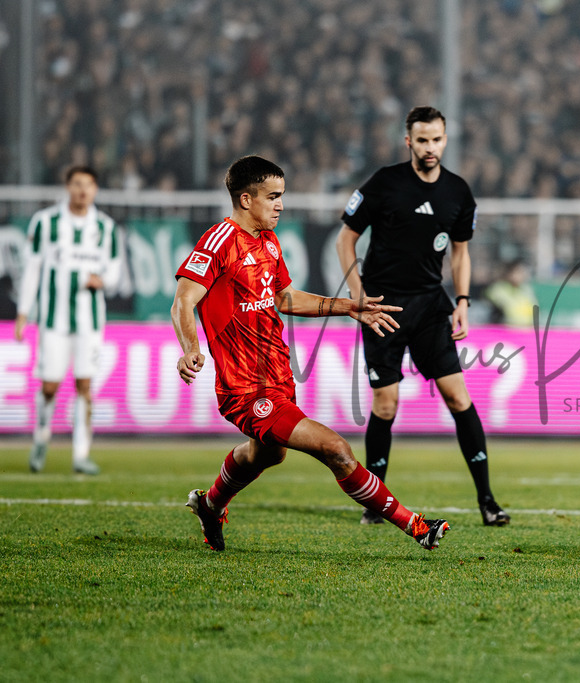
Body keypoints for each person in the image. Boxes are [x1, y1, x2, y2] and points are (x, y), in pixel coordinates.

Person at [171, 155, 449, 552]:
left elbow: (283, 296)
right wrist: (191, 350)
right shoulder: (219, 241)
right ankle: (416, 526)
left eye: (281, 196)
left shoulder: (268, 241)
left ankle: (211, 504)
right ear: (246, 199)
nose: (280, 204)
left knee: (265, 456)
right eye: (273, 197)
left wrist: (348, 306)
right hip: (245, 388)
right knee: (334, 449)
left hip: (278, 378)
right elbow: (183, 300)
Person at [336, 105, 510, 527]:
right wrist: (359, 299)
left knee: (458, 397)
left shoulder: (458, 192)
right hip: (383, 305)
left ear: (445, 140)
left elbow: (461, 252)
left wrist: (463, 302)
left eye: (437, 139)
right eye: (422, 139)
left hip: (432, 305)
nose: (430, 147)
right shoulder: (385, 183)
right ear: (408, 141)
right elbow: (346, 241)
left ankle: (487, 501)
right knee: (386, 402)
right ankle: (375, 504)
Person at [15, 166, 121, 475]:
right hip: (53, 320)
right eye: (77, 184)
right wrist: (24, 314)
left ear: (95, 189)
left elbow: (114, 271)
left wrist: (101, 280)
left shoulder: (106, 227)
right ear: (67, 187)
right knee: (49, 386)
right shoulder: (46, 223)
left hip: (89, 322)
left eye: (88, 185)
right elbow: (32, 269)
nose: (82, 190)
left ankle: (80, 454)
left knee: (85, 386)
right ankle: (41, 437)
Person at [483, 258, 538, 326]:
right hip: (504, 330)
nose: (520, 275)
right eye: (517, 272)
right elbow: (506, 307)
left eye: (522, 272)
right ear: (509, 273)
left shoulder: (526, 289)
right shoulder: (498, 289)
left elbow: (534, 309)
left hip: (526, 329)